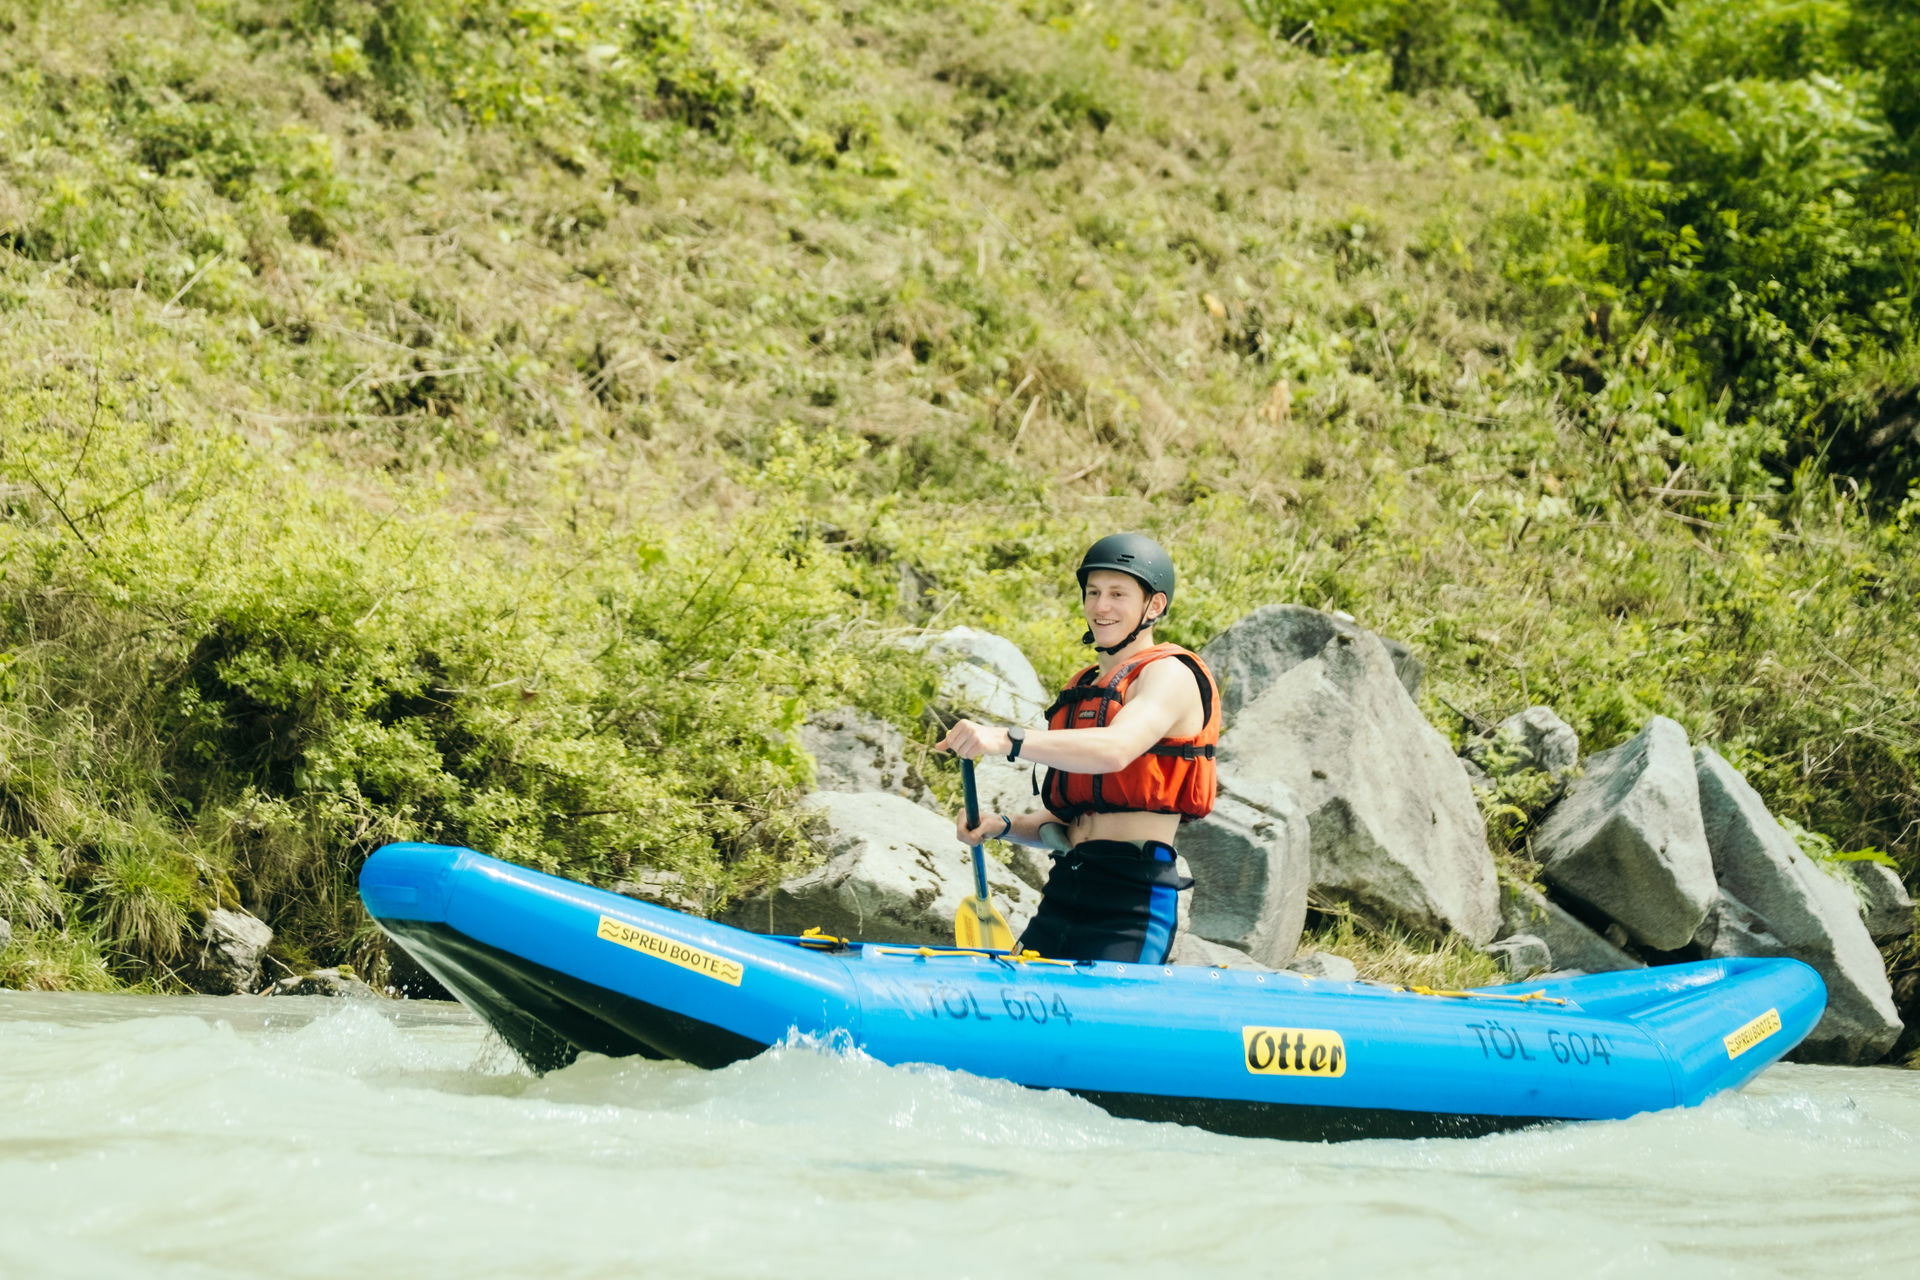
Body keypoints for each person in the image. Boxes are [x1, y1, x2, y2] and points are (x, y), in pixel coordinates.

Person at [936, 533, 1220, 963]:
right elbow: (1077, 822)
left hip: (1132, 901)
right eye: (1093, 593)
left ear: (1154, 606)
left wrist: (1006, 738)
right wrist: (1004, 826)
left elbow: (1116, 749)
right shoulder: (1086, 686)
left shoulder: (1169, 674)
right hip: (1066, 888)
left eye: (1118, 594)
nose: (1101, 606)